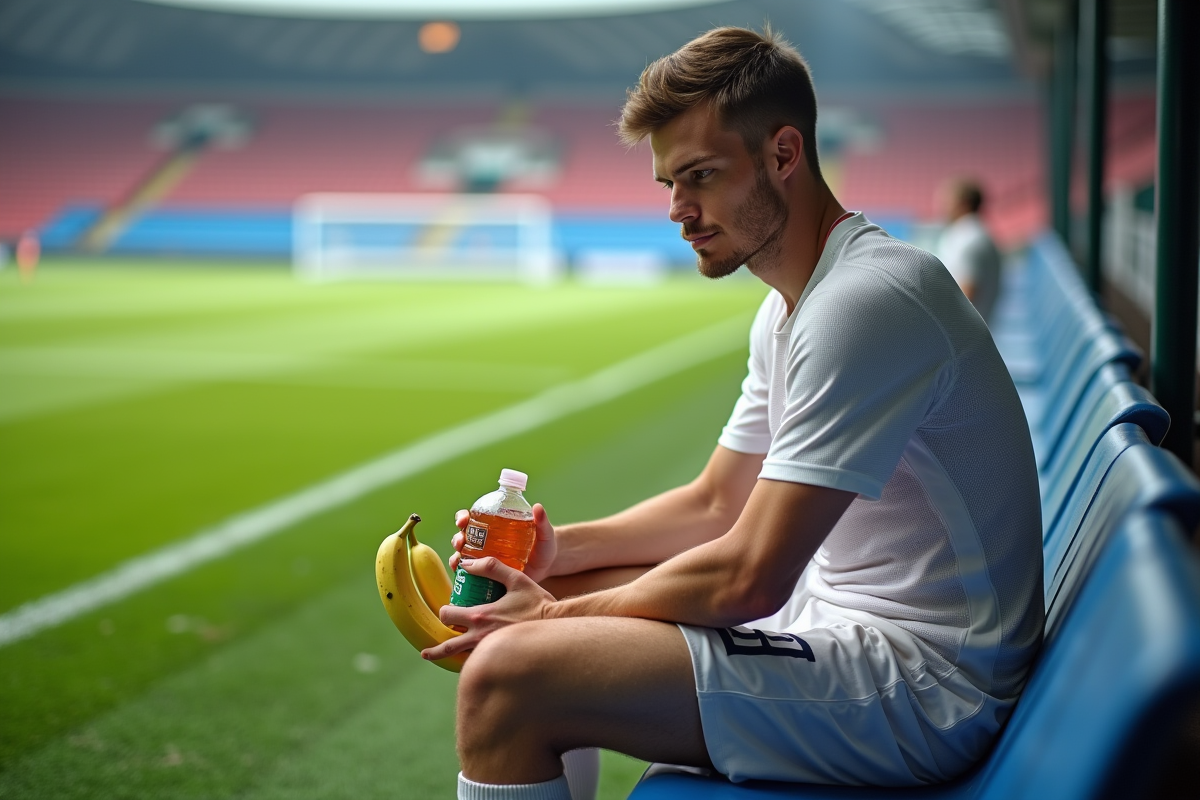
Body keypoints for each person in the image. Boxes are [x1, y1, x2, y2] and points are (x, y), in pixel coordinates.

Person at [424, 26, 1043, 800]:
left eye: (701, 177)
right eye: (669, 185)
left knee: (509, 673)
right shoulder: (792, 305)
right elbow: (717, 503)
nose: (680, 210)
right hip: (839, 618)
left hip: (927, 686)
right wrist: (559, 554)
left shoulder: (866, 302)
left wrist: (550, 619)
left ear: (784, 155)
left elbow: (751, 575)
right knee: (583, 597)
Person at [935, 178, 1002, 325]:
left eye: (948, 201)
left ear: (964, 204)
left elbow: (967, 294)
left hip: (961, 336)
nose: (943, 207)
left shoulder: (969, 239)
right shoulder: (972, 233)